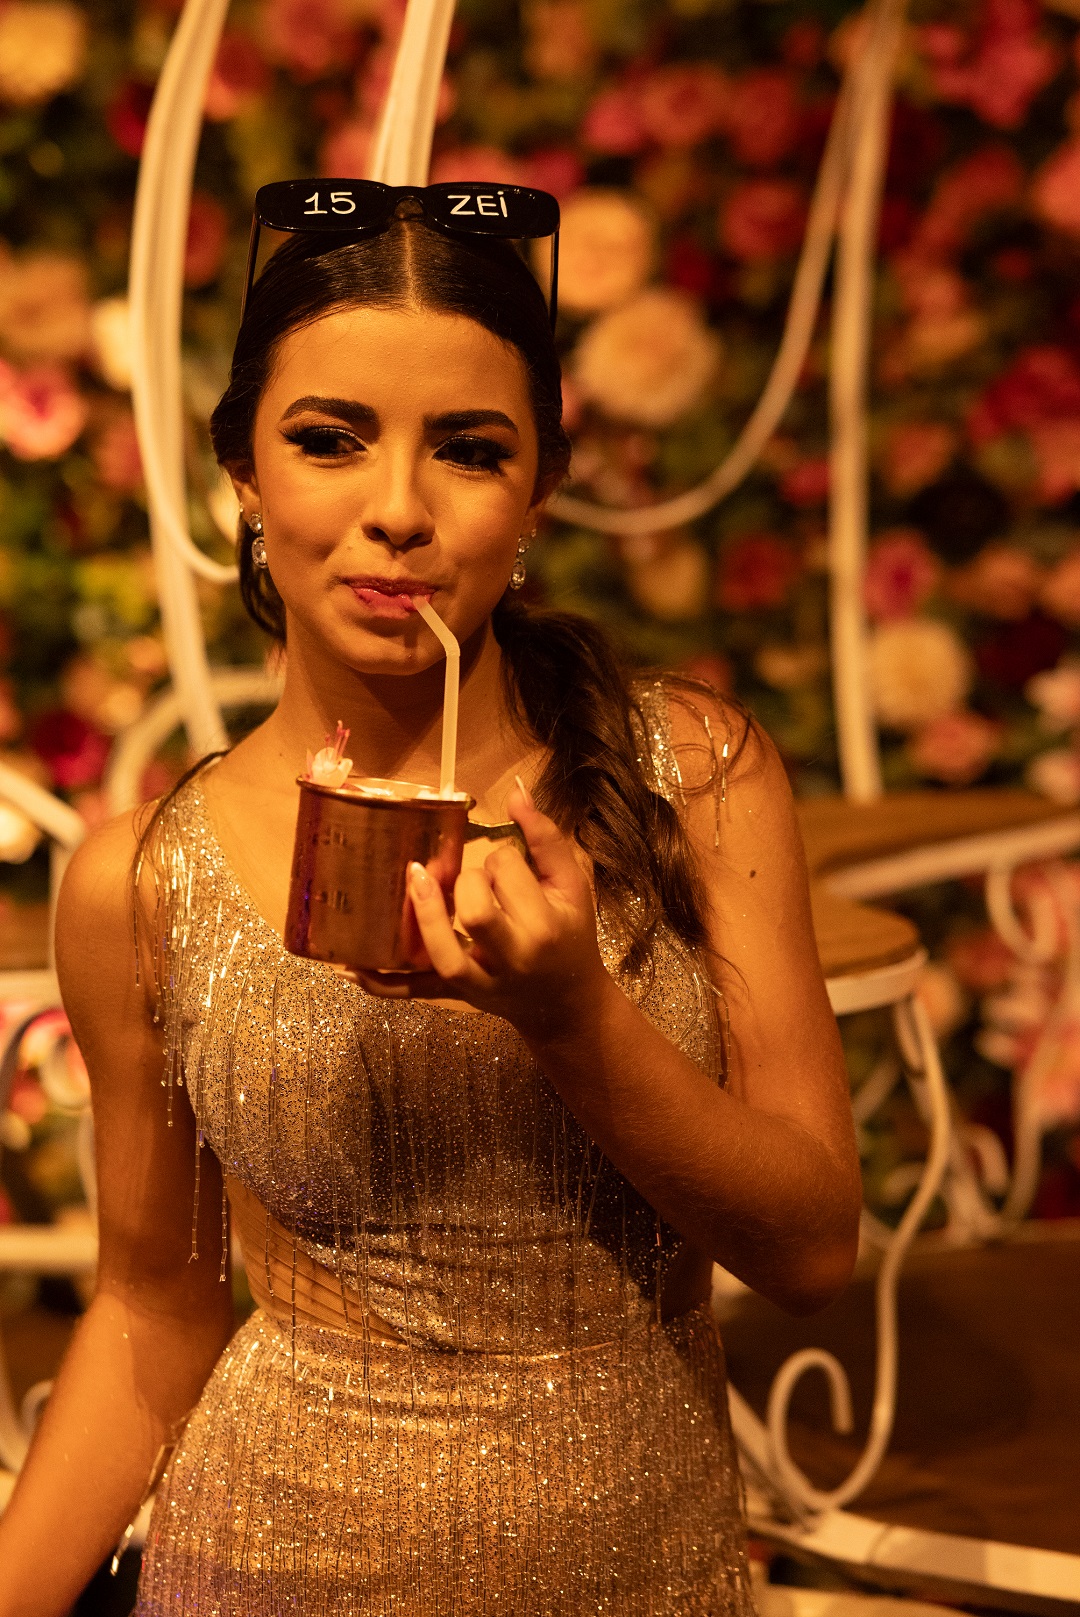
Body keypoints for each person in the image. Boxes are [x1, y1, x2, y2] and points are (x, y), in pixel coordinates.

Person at [0, 196, 861, 1615]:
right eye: (329, 439)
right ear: (242, 472)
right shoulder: (143, 877)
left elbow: (813, 1248)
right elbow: (152, 1312)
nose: (398, 508)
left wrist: (571, 1015)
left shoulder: (689, 776)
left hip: (639, 1568)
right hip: (261, 1560)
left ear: (539, 491)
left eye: (469, 449)